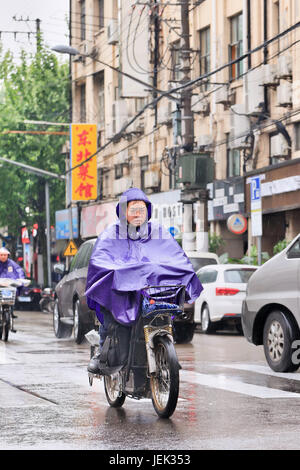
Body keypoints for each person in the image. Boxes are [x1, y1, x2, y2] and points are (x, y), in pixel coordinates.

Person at [85, 188, 203, 374]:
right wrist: (119, 273)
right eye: (133, 209)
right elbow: (101, 261)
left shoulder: (157, 232)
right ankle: (102, 354)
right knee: (113, 322)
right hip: (123, 294)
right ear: (124, 211)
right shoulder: (111, 234)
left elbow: (175, 257)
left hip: (152, 294)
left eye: (142, 209)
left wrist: (183, 271)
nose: (138, 214)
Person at [0, 246, 25, 318]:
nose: (3, 257)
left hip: (10, 285)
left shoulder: (12, 263)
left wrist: (21, 279)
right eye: (1, 255)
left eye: (5, 255)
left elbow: (19, 270)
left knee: (11, 298)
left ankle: (11, 311)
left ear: (8, 255)